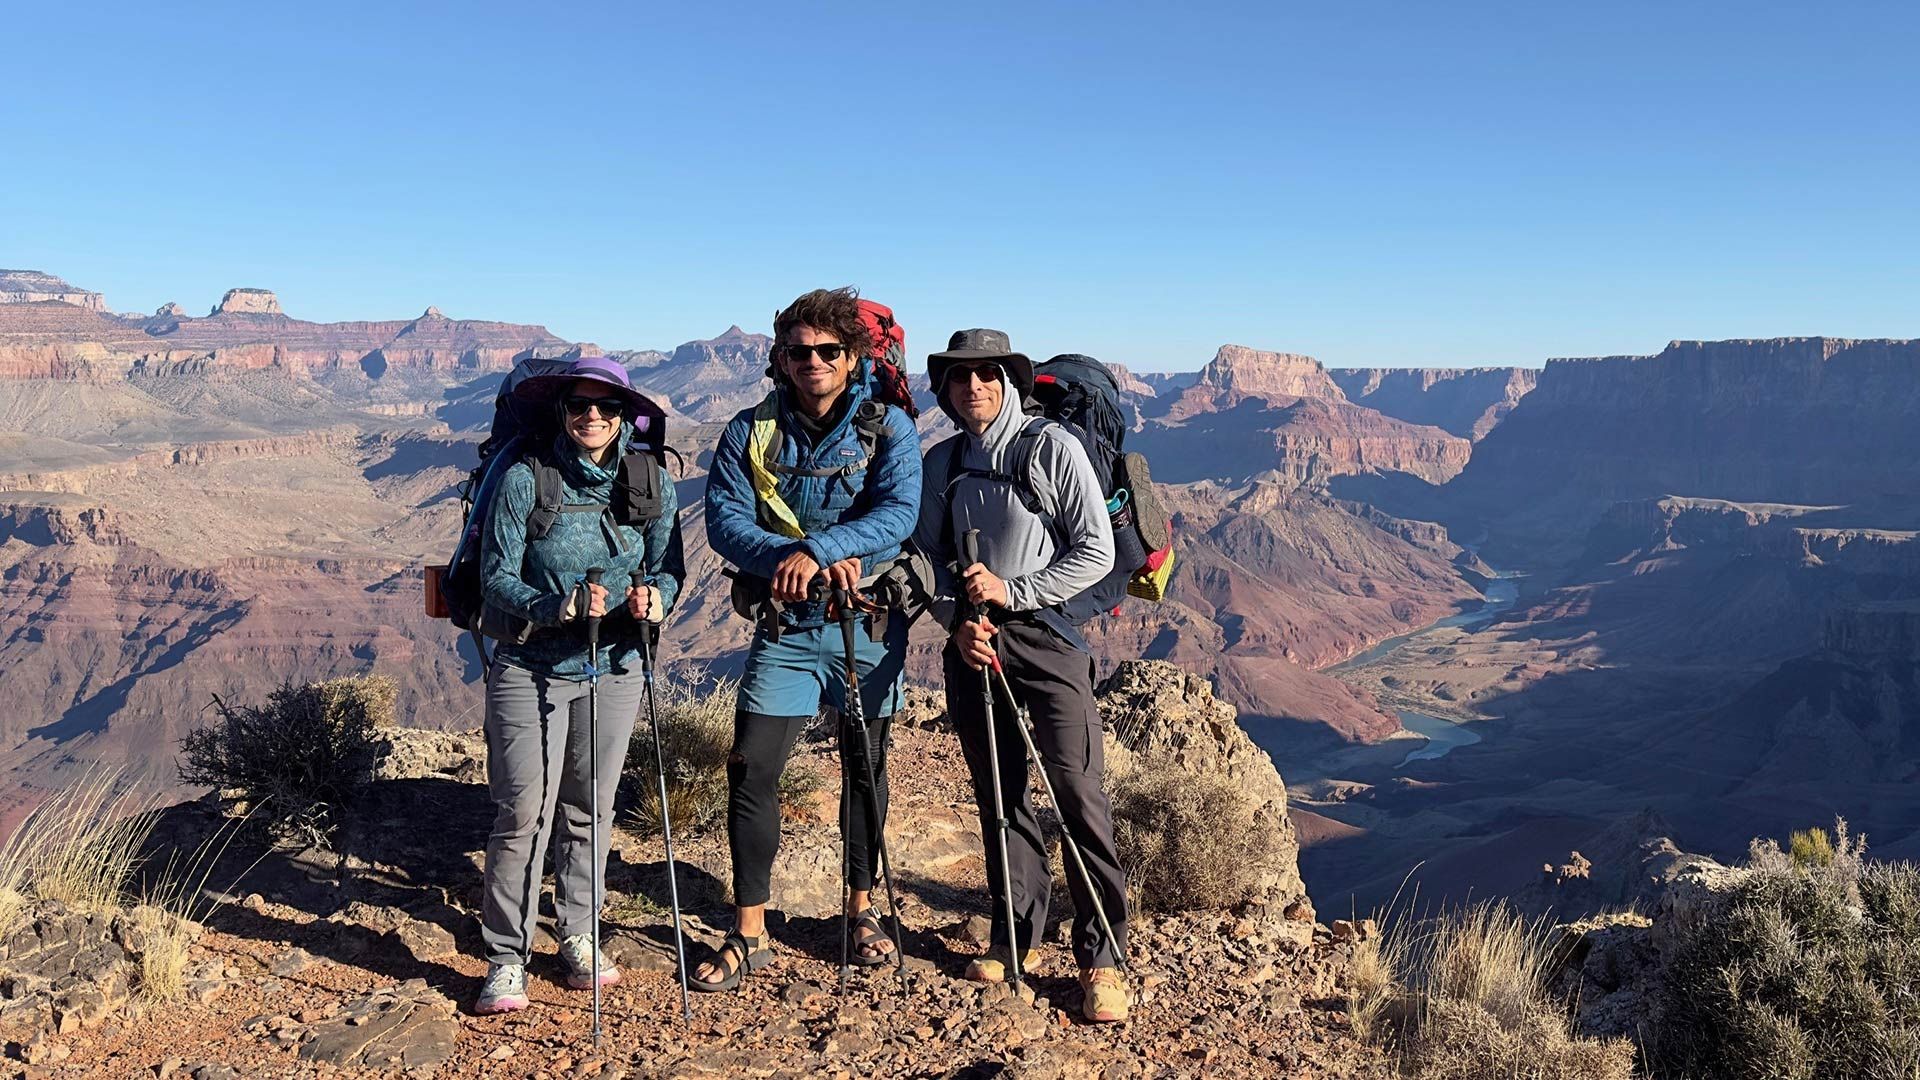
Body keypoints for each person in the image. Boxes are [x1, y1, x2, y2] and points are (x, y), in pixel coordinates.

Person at [695, 287, 922, 991]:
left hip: (868, 626)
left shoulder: (888, 429)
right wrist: (786, 560)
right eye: (800, 352)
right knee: (751, 769)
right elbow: (724, 521)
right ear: (781, 360)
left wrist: (820, 549)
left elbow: (900, 512)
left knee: (865, 766)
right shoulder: (748, 431)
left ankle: (859, 913)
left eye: (829, 351)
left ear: (853, 358)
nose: (814, 361)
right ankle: (750, 931)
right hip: (787, 630)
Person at [913, 328, 1133, 1023]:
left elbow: (1096, 551)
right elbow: (924, 557)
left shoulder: (1050, 449)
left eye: (985, 374)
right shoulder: (942, 461)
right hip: (973, 643)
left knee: (1076, 793)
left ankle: (1104, 959)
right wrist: (954, 619)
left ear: (1008, 380)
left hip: (1047, 640)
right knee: (1002, 797)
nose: (971, 386)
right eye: (958, 377)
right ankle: (1017, 941)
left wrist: (1017, 592)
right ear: (945, 390)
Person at [472, 356, 686, 1015]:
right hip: (529, 666)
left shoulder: (650, 479)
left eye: (606, 407)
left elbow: (669, 566)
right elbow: (494, 576)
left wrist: (657, 600)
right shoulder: (523, 477)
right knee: (521, 814)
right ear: (561, 411)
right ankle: (506, 958)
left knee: (591, 808)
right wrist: (555, 605)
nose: (592, 417)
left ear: (625, 415)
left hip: (614, 667)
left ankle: (578, 935)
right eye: (579, 406)